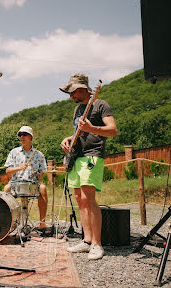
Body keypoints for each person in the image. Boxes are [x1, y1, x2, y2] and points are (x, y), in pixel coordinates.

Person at [59, 73, 117, 260]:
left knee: (89, 197)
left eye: (72, 92)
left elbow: (113, 130)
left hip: (92, 156)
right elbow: (78, 133)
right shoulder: (77, 110)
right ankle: (87, 240)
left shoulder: (101, 105)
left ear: (82, 88)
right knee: (79, 198)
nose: (71, 96)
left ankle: (97, 244)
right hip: (77, 157)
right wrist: (68, 139)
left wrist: (91, 128)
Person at [3, 126, 50, 234]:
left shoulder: (39, 154)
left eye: (24, 134)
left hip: (33, 183)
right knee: (6, 189)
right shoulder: (14, 152)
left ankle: (42, 223)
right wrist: (19, 168)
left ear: (31, 137)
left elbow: (42, 173)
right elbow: (7, 171)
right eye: (20, 135)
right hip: (16, 183)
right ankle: (8, 223)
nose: (22, 137)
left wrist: (38, 174)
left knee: (42, 188)